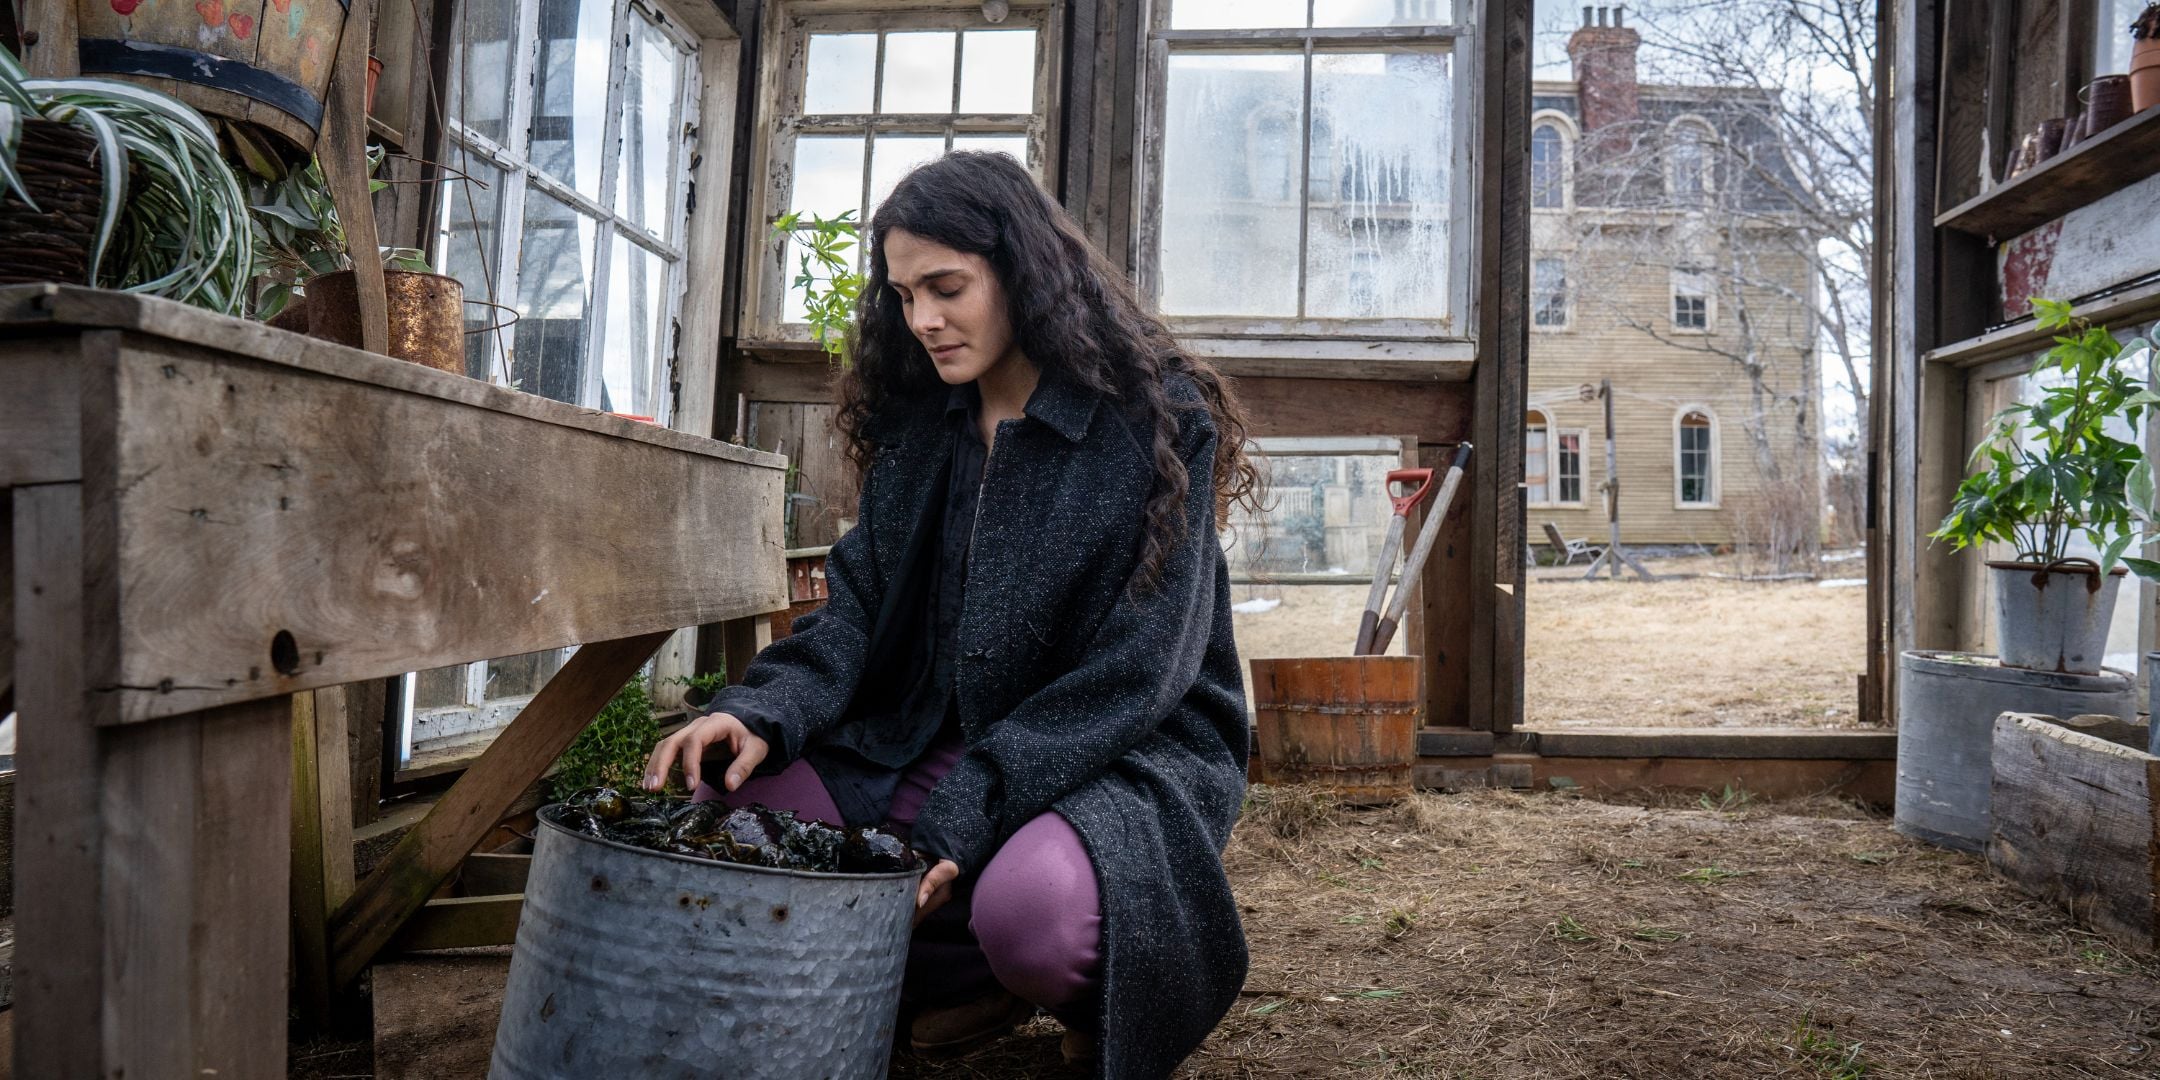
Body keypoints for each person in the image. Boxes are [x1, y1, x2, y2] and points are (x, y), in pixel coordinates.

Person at [644, 151, 1263, 1079]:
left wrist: (970, 805)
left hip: (1113, 747)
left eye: (947, 287)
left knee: (1034, 916)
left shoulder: (1155, 418)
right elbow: (854, 609)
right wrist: (759, 709)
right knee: (730, 811)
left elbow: (1142, 670)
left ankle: (1069, 988)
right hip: (919, 736)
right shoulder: (921, 420)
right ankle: (952, 984)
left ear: (1023, 270)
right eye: (903, 294)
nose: (923, 319)